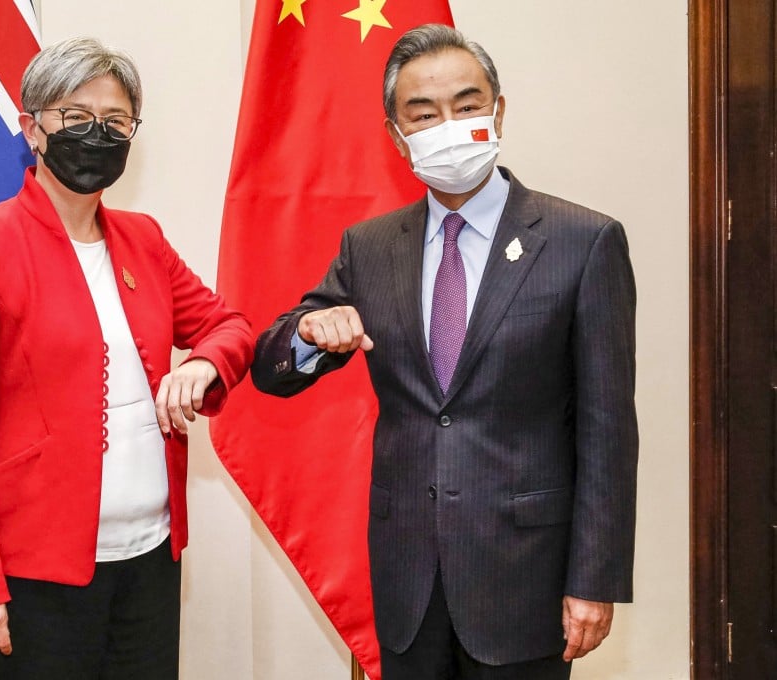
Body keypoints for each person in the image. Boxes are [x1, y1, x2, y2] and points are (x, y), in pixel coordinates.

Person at [251, 24, 637, 680]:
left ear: (498, 111)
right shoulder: (371, 247)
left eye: (466, 104)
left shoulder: (583, 241)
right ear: (397, 134)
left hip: (525, 577)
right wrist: (308, 335)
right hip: (408, 580)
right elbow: (270, 369)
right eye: (424, 114)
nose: (449, 126)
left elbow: (608, 430)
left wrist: (594, 579)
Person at [0, 37, 253, 678]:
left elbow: (229, 326)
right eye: (76, 117)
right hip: (33, 575)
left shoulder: (143, 239)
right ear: (32, 128)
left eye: (115, 121)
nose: (97, 134)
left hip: (151, 559)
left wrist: (202, 363)